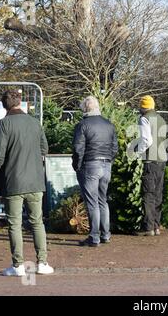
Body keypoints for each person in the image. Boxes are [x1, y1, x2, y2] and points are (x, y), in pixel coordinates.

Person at [0, 90, 54, 276]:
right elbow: (44, 148)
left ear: (4, 106)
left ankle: (18, 265)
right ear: (21, 102)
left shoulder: (4, 124)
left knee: (15, 224)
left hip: (13, 182)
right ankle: (42, 262)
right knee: (37, 222)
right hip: (35, 180)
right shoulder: (35, 123)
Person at [72, 96, 118, 247]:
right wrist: (108, 160)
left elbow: (78, 149)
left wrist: (77, 166)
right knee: (102, 200)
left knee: (92, 203)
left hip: (90, 164)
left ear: (85, 108)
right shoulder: (109, 125)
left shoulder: (82, 125)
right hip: (106, 165)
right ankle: (106, 235)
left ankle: (94, 237)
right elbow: (114, 148)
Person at [135, 96, 167, 236]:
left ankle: (148, 228)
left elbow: (146, 140)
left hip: (150, 160)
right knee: (158, 193)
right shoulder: (161, 119)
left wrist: (137, 151)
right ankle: (156, 226)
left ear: (142, 107)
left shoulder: (144, 119)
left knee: (148, 194)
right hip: (161, 160)